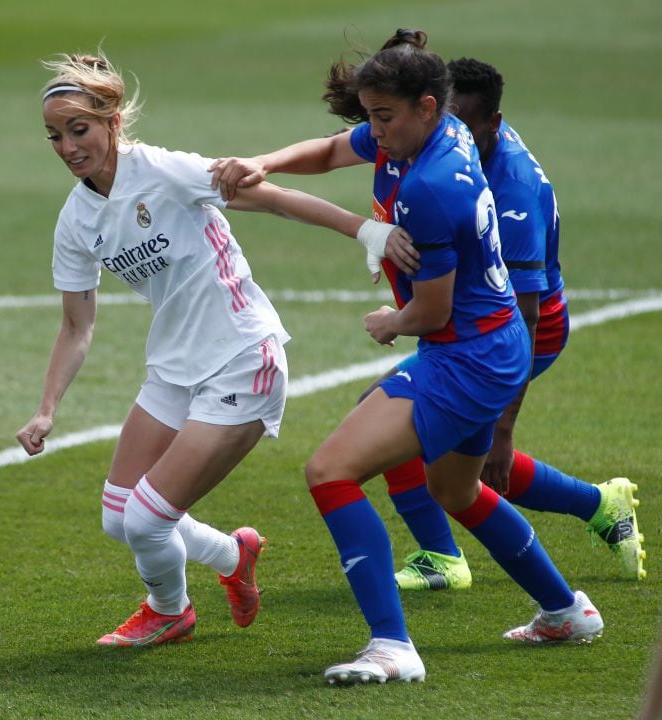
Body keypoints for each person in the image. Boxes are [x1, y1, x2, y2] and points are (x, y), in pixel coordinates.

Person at [213, 29, 604, 683]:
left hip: (465, 352)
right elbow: (337, 148)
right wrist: (265, 162)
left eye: (383, 116)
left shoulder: (431, 187)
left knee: (329, 470)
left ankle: (392, 647)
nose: (374, 130)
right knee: (453, 487)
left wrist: (390, 321)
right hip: (494, 343)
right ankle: (566, 609)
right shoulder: (433, 132)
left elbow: (434, 312)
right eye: (371, 114)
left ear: (426, 105)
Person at [16, 51, 414, 648]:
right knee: (118, 515)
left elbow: (273, 198)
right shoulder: (75, 222)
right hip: (175, 367)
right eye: (55, 136)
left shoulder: (164, 171)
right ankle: (232, 554)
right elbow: (76, 326)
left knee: (148, 519)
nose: (69, 146)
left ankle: (169, 612)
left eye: (80, 129)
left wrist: (367, 230)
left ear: (112, 123)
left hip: (243, 357)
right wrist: (47, 408)